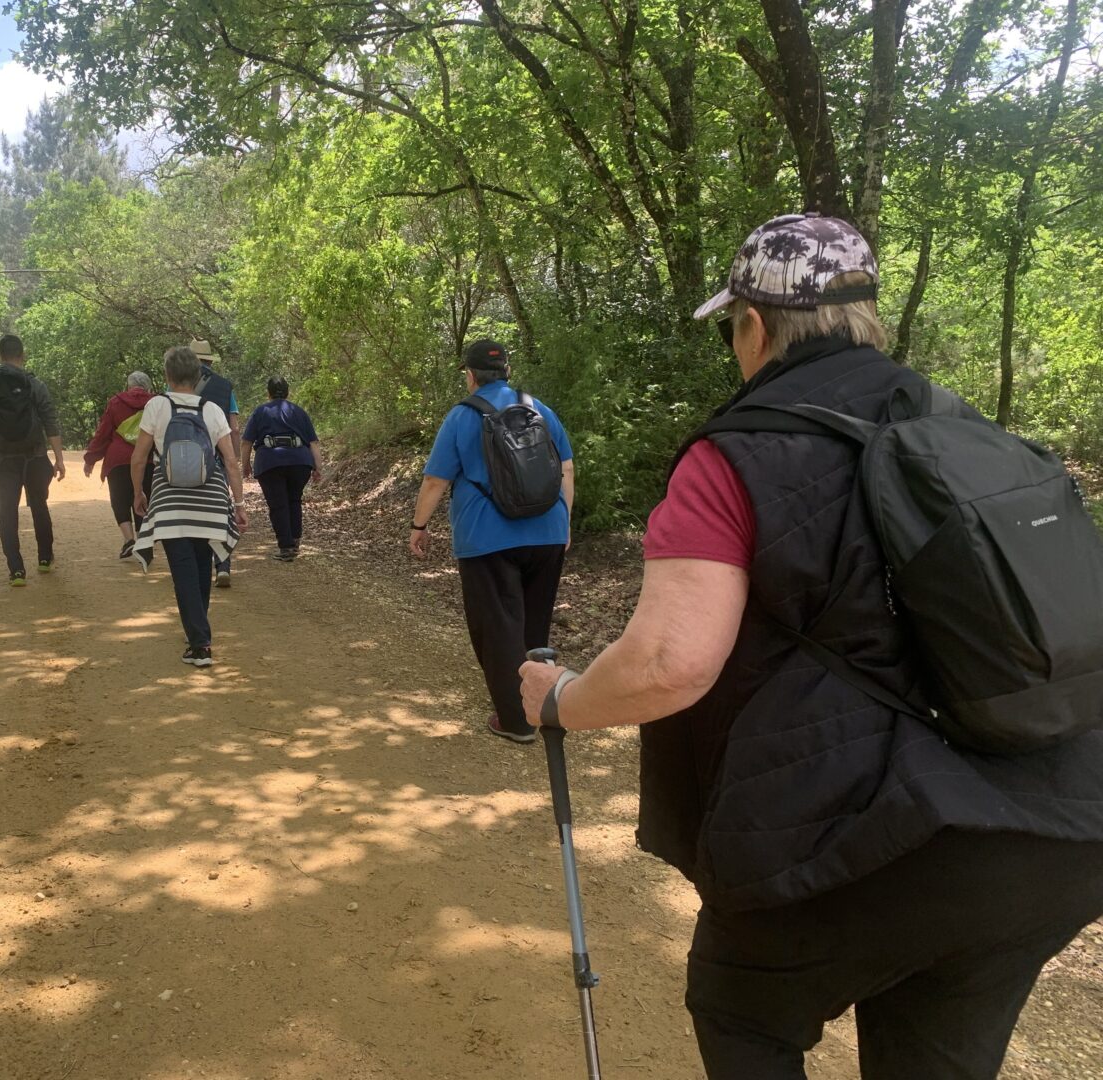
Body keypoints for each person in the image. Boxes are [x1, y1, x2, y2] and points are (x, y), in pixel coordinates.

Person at [517, 213, 1103, 1079]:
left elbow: (670, 663)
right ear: (868, 317)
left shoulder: (735, 455)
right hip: (1052, 824)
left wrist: (562, 700)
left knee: (744, 1014)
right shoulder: (971, 429)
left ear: (754, 326)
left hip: (859, 840)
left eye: (732, 328)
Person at [410, 338, 575, 744]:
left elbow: (435, 480)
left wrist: (419, 526)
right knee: (534, 623)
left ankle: (517, 721)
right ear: (508, 372)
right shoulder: (539, 409)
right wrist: (565, 523)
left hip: (487, 537)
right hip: (548, 532)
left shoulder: (462, 416)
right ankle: (540, 703)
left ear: (470, 375)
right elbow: (567, 468)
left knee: (499, 627)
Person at [130, 345, 249, 667]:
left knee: (183, 571)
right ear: (198, 377)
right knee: (201, 567)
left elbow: (139, 457)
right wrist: (238, 504)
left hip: (170, 502)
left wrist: (138, 494)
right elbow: (231, 462)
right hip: (210, 500)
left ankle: (200, 645)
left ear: (167, 376)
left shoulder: (156, 406)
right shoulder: (212, 410)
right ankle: (199, 634)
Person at [0, 334, 65, 586]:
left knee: (7, 510)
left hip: (3, 459)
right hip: (35, 456)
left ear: (0, 356)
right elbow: (50, 421)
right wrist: (59, 458)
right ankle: (44, 559)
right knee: (39, 505)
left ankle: (16, 570)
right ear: (23, 355)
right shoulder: (35, 384)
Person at [241, 377, 323, 560]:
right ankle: (294, 541)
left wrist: (245, 465)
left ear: (268, 393)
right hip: (300, 461)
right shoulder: (299, 412)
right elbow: (313, 443)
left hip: (270, 462)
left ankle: (286, 547)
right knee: (294, 500)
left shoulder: (260, 411)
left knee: (278, 504)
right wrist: (318, 467)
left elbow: (246, 442)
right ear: (288, 392)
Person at [83, 371, 155, 559]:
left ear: (128, 386)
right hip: (146, 459)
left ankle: (129, 540)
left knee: (119, 499)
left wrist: (91, 458)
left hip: (118, 460)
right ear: (148, 386)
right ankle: (144, 542)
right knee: (144, 498)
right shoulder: (155, 403)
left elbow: (103, 433)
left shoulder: (116, 402)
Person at [188, 339, 241, 587]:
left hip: (184, 459)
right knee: (220, 511)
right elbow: (234, 427)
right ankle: (222, 566)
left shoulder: (176, 385)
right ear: (209, 361)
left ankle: (193, 567)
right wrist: (234, 458)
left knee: (189, 512)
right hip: (217, 459)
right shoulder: (225, 387)